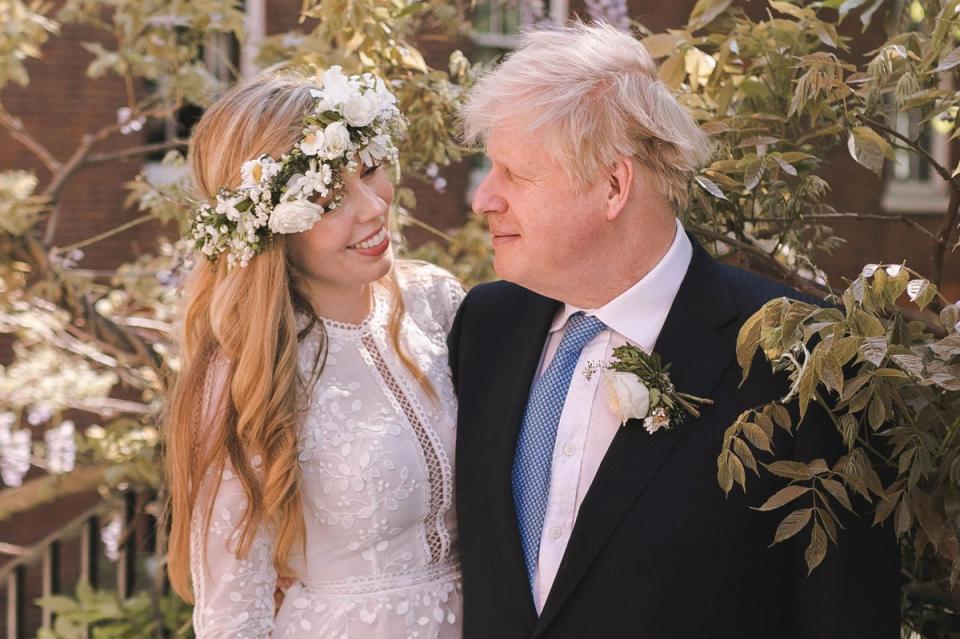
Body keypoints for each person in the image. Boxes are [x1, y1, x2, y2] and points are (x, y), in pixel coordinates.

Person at [449, 22, 900, 638]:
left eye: (514, 174)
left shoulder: (799, 354)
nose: (484, 199)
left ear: (613, 184)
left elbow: (844, 612)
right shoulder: (484, 327)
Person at [164, 66, 465, 638]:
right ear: (270, 226)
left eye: (371, 169)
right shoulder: (246, 374)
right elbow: (234, 618)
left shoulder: (438, 303)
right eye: (328, 199)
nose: (373, 207)